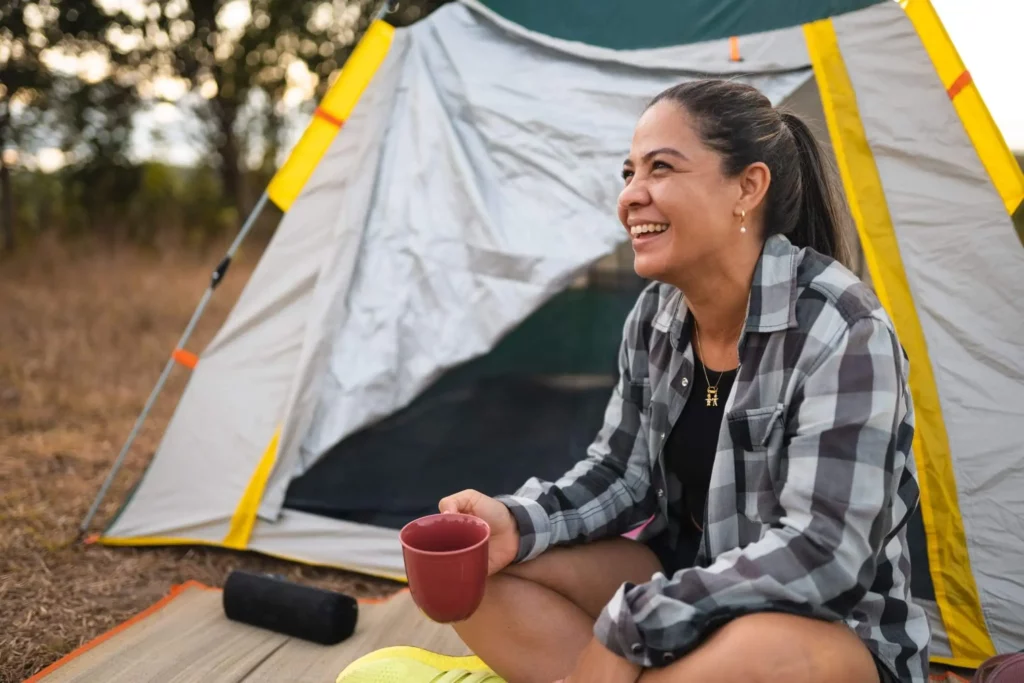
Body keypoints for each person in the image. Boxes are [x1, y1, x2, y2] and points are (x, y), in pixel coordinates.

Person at [436, 79, 931, 683]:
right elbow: (620, 473)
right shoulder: (654, 318)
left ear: (747, 188)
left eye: (660, 168)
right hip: (684, 594)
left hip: (825, 633)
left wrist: (637, 621)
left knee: (763, 649)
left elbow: (823, 553)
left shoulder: (843, 331)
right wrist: (515, 522)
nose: (630, 197)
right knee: (481, 573)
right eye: (628, 172)